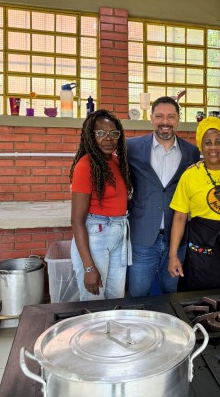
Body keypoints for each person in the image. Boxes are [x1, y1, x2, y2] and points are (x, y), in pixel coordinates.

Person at [127, 96, 200, 296]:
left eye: (170, 117)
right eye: (159, 116)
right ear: (151, 118)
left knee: (172, 293)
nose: (165, 122)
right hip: (142, 237)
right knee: (138, 295)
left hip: (176, 239)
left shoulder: (191, 152)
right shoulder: (131, 147)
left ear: (178, 119)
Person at [168, 117, 220, 290]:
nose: (213, 147)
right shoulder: (190, 175)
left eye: (218, 142)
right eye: (208, 142)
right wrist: (173, 255)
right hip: (201, 245)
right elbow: (180, 218)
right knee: (198, 297)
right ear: (201, 146)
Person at [69, 109, 132, 301]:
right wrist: (89, 267)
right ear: (90, 136)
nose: (108, 139)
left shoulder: (116, 161)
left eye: (114, 133)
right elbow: (77, 221)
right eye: (101, 133)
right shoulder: (85, 165)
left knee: (115, 299)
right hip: (96, 236)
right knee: (94, 303)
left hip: (119, 234)